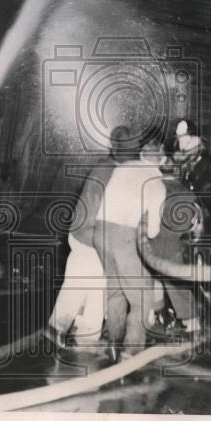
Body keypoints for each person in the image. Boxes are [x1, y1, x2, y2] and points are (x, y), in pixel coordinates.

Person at [48, 125, 132, 348]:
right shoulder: (116, 173)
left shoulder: (105, 166)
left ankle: (79, 332)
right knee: (83, 284)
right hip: (91, 238)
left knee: (93, 285)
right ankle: (68, 331)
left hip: (81, 234)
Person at [94, 132, 168, 360]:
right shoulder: (156, 183)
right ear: (163, 159)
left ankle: (113, 344)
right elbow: (153, 231)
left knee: (115, 290)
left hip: (100, 230)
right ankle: (131, 352)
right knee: (142, 296)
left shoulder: (122, 167)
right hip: (125, 235)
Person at [150, 154, 204, 335]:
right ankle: (186, 319)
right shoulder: (185, 191)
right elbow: (195, 219)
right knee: (172, 281)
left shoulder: (157, 188)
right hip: (175, 242)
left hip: (159, 241)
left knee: (161, 280)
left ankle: (159, 315)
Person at [172, 120, 211, 231]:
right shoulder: (181, 161)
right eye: (180, 139)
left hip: (201, 214)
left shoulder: (205, 162)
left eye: (185, 139)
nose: (182, 143)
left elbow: (208, 193)